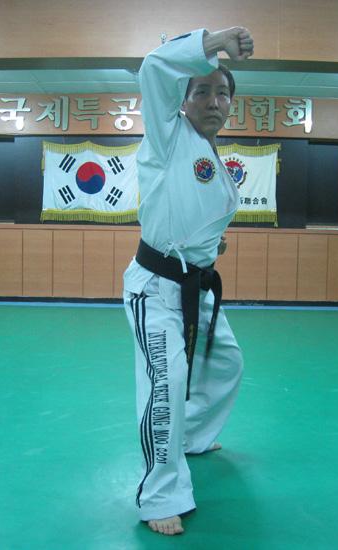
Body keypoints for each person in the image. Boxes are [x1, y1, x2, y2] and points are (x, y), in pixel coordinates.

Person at [122, 27, 254, 536]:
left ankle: (193, 436)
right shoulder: (167, 135)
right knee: (167, 382)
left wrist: (209, 247)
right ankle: (159, 495)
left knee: (226, 362)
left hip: (193, 287)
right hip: (155, 289)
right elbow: (155, 67)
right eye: (202, 91)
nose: (214, 101)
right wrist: (215, 41)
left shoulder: (211, 154)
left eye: (222, 93)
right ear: (183, 99)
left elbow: (192, 212)